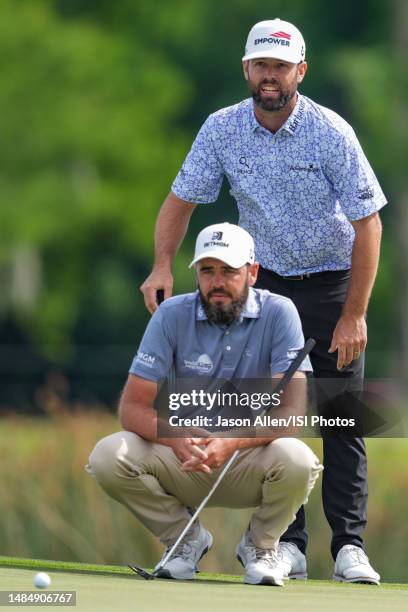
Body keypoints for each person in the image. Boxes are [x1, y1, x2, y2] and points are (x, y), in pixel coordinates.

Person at [140, 19, 386, 584]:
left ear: (300, 71)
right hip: (264, 287)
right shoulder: (222, 129)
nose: (269, 76)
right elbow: (181, 200)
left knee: (340, 412)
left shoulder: (331, 132)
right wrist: (161, 265)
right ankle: (286, 545)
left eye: (280, 66)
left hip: (330, 285)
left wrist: (354, 312)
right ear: (246, 70)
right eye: (260, 65)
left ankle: (349, 545)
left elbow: (368, 224)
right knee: (272, 413)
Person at [88, 223, 322, 586]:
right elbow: (132, 409)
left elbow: (290, 415)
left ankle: (261, 547)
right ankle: (184, 541)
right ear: (196, 273)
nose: (217, 282)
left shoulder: (280, 312)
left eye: (229, 271)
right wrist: (174, 436)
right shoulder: (171, 315)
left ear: (253, 273)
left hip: (248, 461)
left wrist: (232, 441)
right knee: (107, 455)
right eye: (207, 271)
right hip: (185, 457)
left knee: (298, 458)